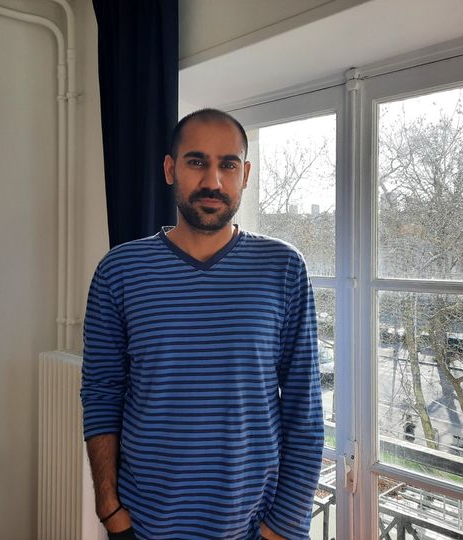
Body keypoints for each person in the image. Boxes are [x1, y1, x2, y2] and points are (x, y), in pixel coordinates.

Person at [81, 108, 325, 540]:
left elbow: (303, 408)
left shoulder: (283, 268)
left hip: (254, 526)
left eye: (227, 164)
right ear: (171, 169)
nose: (213, 181)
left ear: (244, 174)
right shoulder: (120, 270)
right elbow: (102, 391)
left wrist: (281, 528)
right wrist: (110, 510)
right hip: (144, 524)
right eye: (197, 162)